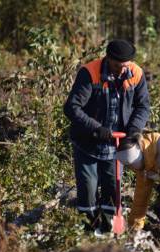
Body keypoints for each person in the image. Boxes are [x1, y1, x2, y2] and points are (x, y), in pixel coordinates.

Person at [64, 39, 150, 234]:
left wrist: (135, 129)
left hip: (116, 145)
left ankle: (109, 232)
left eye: (126, 66)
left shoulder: (136, 73)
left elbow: (143, 106)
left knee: (113, 191)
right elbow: (71, 108)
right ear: (108, 59)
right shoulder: (90, 73)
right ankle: (89, 232)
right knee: (88, 189)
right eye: (118, 66)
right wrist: (96, 128)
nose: (122, 70)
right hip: (88, 143)